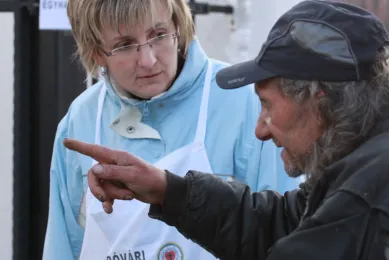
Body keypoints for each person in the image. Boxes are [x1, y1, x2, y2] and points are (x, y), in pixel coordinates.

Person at [63, 0, 389, 259]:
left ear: (318, 97)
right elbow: (287, 221)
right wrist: (169, 190)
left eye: (267, 105)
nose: (260, 130)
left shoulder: (376, 197)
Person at [42, 0, 301, 259]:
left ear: (178, 24)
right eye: (124, 45)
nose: (148, 60)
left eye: (159, 34)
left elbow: (286, 235)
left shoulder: (244, 102)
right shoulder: (81, 120)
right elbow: (64, 245)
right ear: (96, 51)